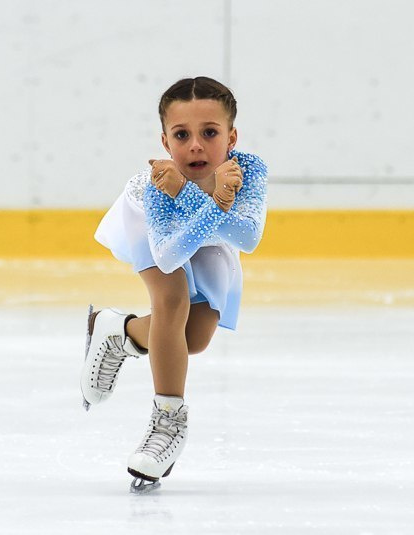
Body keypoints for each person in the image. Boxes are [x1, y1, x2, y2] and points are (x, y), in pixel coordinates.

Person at [82, 76, 268, 493]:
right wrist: (207, 197)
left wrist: (202, 199)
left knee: (194, 338)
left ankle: (120, 331)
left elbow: (248, 237)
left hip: (203, 229)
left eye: (210, 133)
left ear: (232, 136)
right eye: (182, 135)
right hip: (154, 229)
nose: (196, 146)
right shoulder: (158, 182)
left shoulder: (249, 169)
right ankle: (168, 421)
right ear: (166, 142)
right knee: (171, 298)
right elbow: (167, 254)